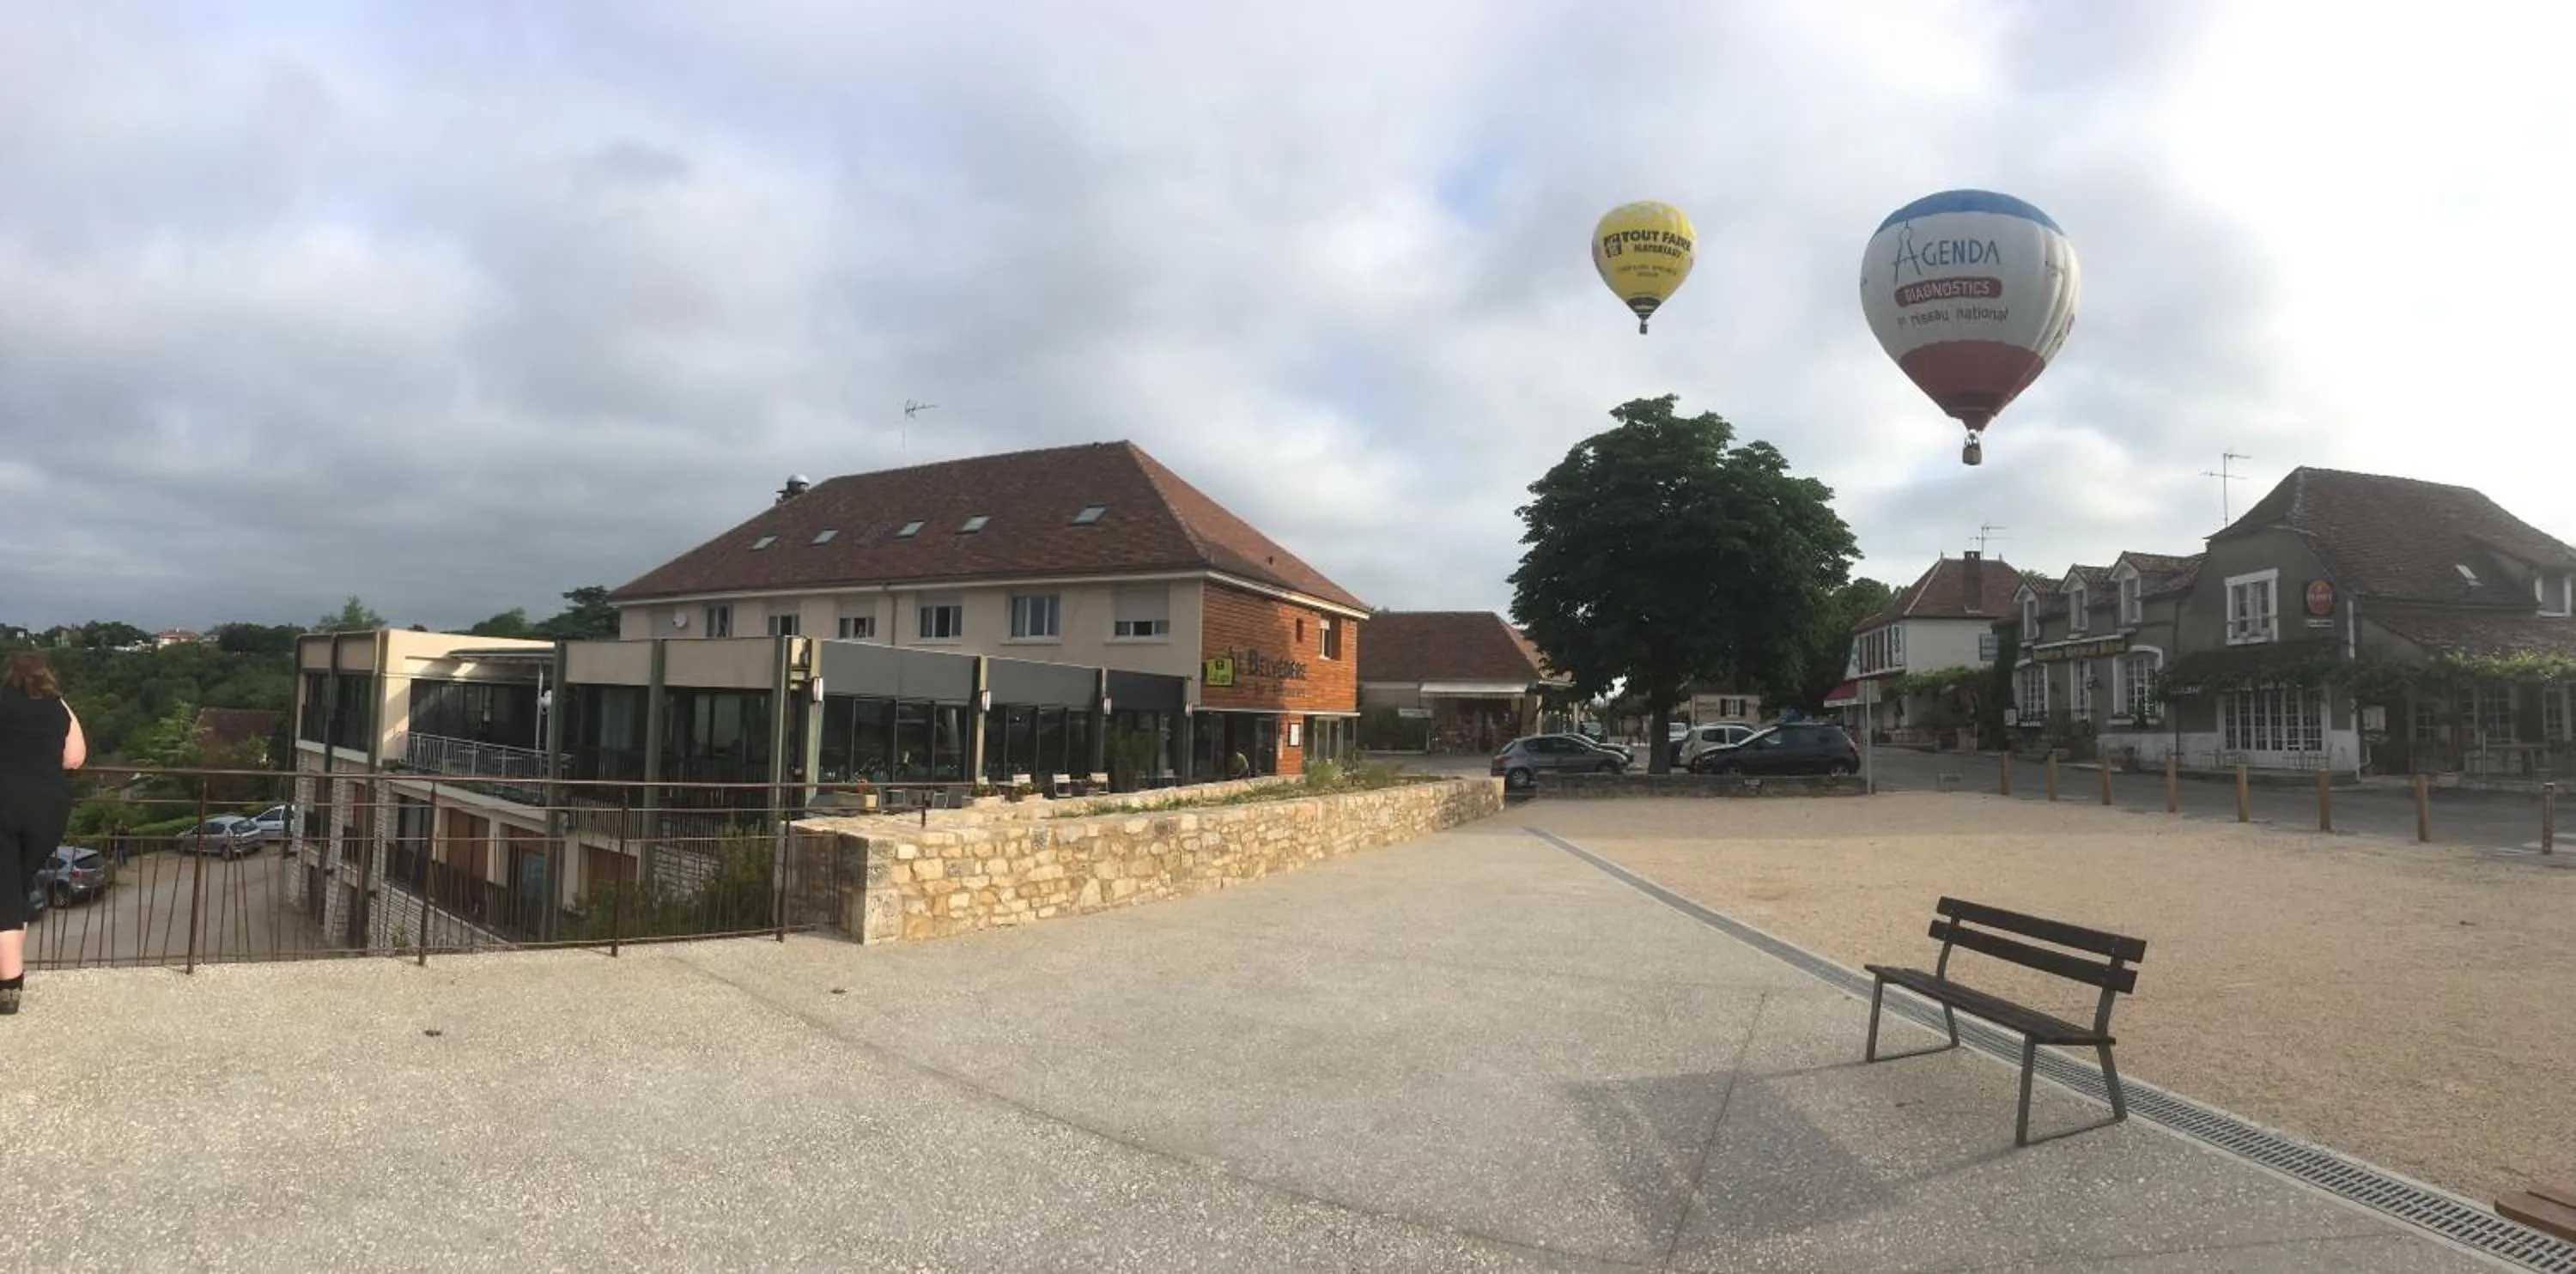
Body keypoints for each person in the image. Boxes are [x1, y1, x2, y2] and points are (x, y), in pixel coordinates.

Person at [1, 652, 86, 1015]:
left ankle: (10, 985)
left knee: (5, 891)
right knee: (14, 887)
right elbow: (74, 759)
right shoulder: (56, 709)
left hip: (3, 803)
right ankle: (9, 978)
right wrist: (60, 700)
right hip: (48, 811)